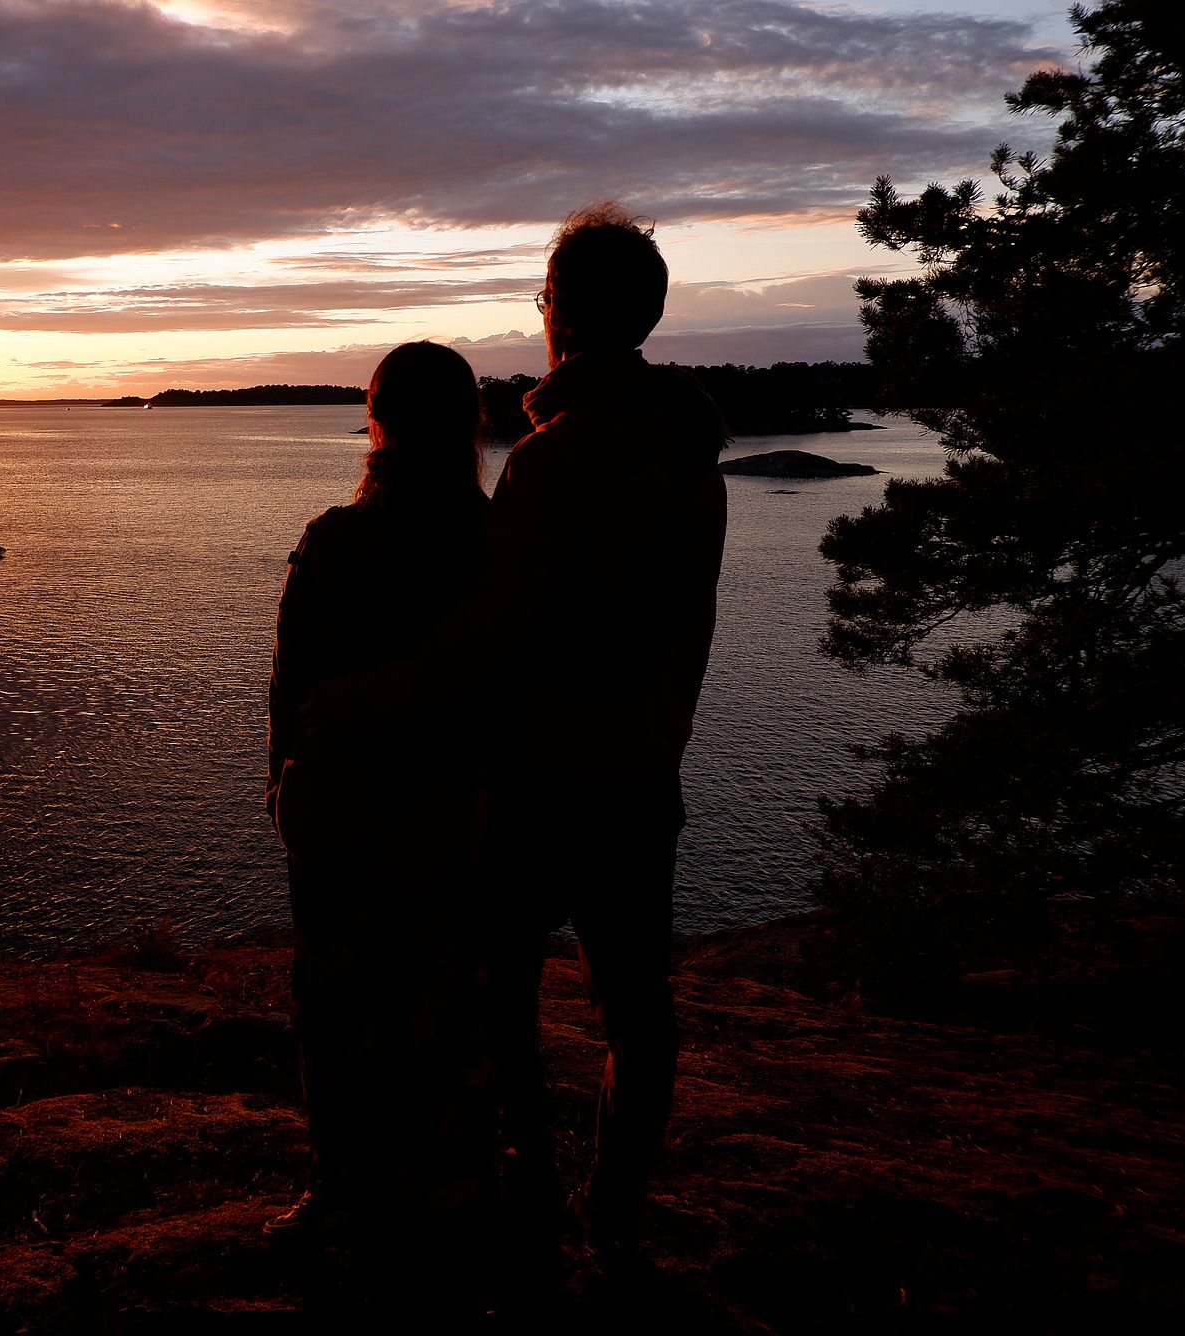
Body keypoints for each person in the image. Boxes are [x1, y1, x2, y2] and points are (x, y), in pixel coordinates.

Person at [305, 203, 728, 1276]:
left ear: (565, 318)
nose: (540, 319)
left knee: (497, 997)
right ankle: (615, 1217)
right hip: (645, 781)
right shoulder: (693, 459)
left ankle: (532, 1202)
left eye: (543, 302)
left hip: (544, 783)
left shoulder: (551, 464)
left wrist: (344, 705)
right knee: (639, 1012)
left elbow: (477, 647)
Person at [264, 341, 493, 1245]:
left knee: (339, 1014)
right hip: (459, 823)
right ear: (468, 425)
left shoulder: (335, 542)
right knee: (447, 1017)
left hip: (344, 821)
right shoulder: (495, 541)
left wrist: (283, 789)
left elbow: (290, 684)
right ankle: (449, 1193)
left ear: (377, 421)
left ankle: (342, 1196)